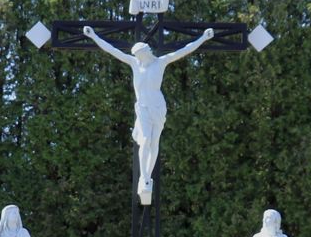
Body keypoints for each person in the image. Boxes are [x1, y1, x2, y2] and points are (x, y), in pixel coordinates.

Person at [83, 26, 214, 204]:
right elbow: (111, 49)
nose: (138, 58)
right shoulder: (133, 63)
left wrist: (203, 39)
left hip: (158, 107)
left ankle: (148, 177)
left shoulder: (160, 62)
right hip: (143, 108)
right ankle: (144, 177)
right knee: (145, 140)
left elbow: (184, 51)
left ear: (145, 54)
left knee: (154, 141)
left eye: (139, 56)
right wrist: (94, 36)